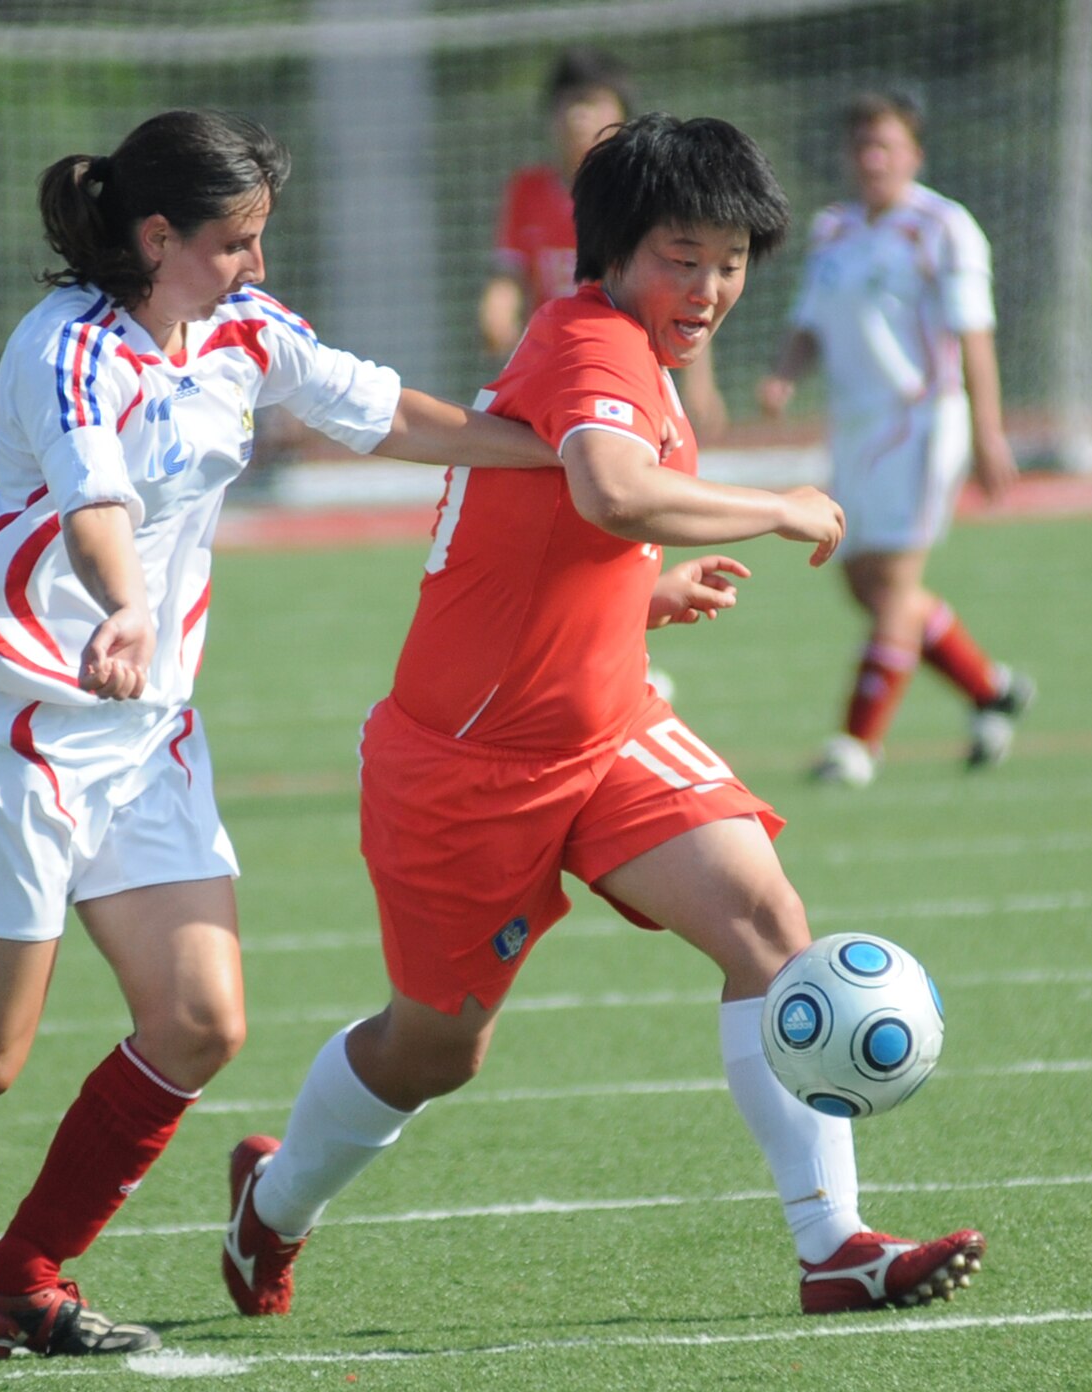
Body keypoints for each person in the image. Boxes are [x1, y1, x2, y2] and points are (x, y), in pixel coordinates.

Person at [0, 109, 557, 1360]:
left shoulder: (240, 329)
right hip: (15, 732)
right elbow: (95, 506)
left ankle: (20, 1277)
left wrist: (557, 465)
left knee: (198, 1020)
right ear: (156, 235)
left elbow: (386, 414)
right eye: (237, 242)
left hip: (148, 736)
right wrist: (126, 603)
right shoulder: (62, 351)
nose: (257, 266)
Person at [220, 113, 985, 1325]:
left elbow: (566, 527)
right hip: (464, 768)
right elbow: (612, 487)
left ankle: (830, 1243)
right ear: (617, 252)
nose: (708, 289)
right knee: (433, 1050)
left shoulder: (633, 347)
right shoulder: (590, 343)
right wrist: (776, 507)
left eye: (729, 262)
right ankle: (274, 1200)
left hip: (606, 728)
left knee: (766, 924)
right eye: (681, 258)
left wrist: (639, 591)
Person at [757, 91, 1032, 789]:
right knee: (865, 583)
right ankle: (989, 688)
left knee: (895, 584)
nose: (872, 157)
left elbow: (975, 335)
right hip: (853, 426)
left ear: (915, 152)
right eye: (862, 145)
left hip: (921, 422)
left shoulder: (943, 227)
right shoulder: (832, 228)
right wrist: (784, 376)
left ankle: (857, 743)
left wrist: (990, 432)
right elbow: (809, 319)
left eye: (887, 144)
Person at [481, 48, 726, 437]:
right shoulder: (527, 191)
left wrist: (700, 383)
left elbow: (683, 292)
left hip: (626, 365)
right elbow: (508, 277)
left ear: (621, 117)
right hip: (556, 367)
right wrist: (498, 309)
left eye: (591, 103)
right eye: (567, 104)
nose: (577, 116)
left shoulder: (644, 196)